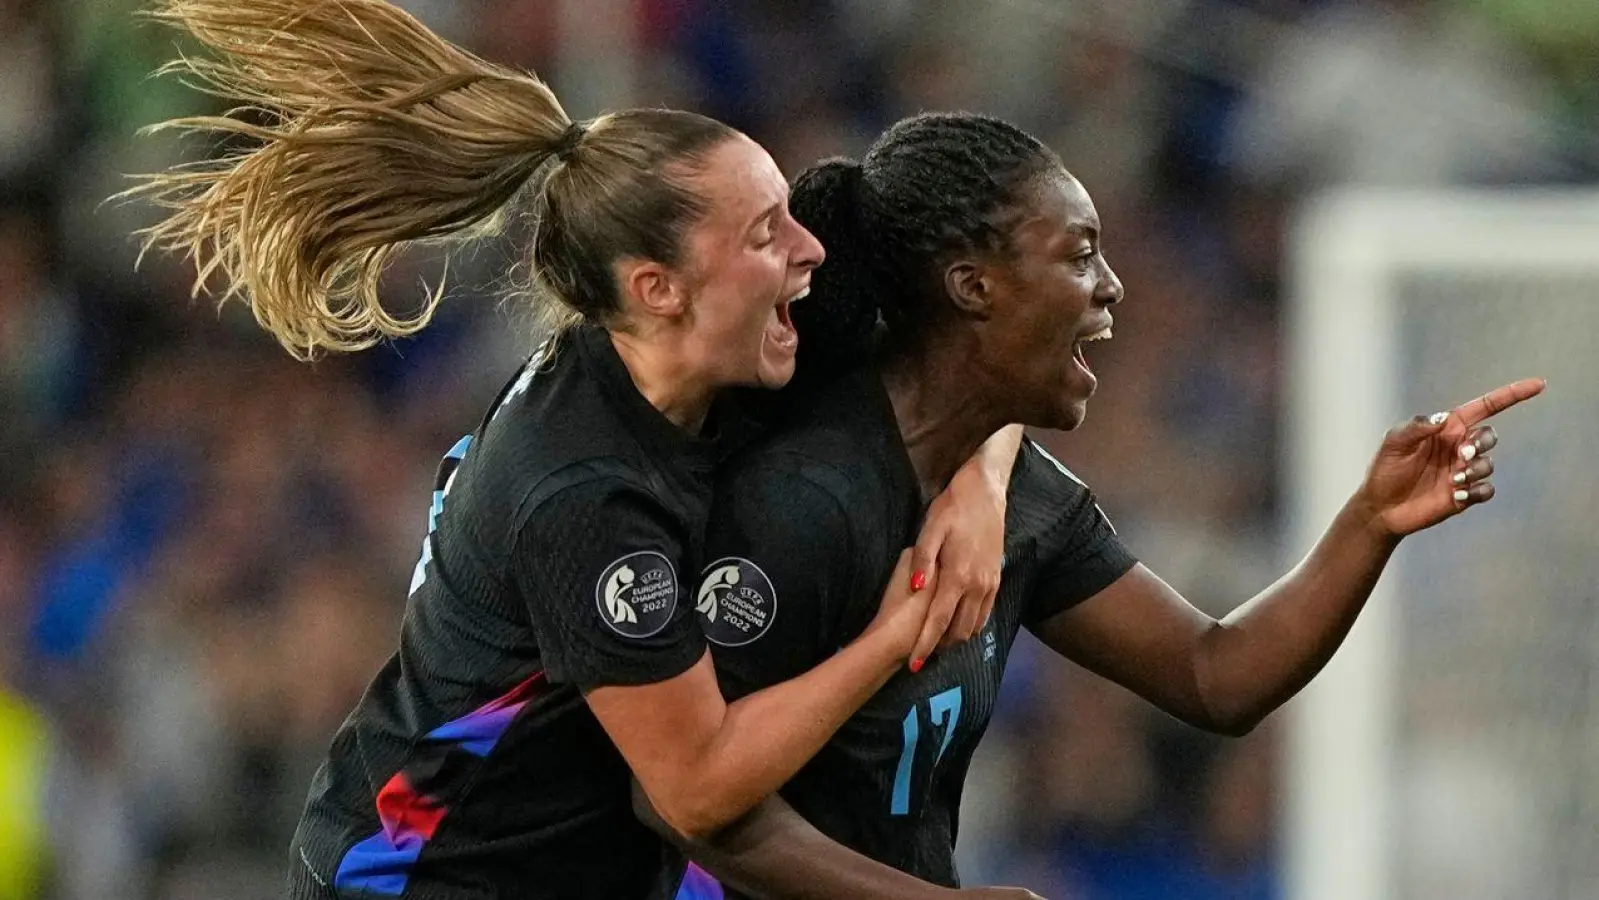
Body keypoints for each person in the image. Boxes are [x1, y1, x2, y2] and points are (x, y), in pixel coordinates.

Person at [128, 4, 1020, 898]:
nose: (808, 248)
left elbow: (962, 350)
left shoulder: (699, 355)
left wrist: (977, 487)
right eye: (763, 233)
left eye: (786, 213)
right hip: (426, 880)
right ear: (657, 288)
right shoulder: (582, 489)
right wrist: (897, 630)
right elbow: (699, 786)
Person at [649, 112, 1546, 897]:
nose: (1112, 285)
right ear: (973, 287)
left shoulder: (1018, 492)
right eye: (1079, 256)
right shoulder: (803, 498)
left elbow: (1213, 674)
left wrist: (1368, 523)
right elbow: (681, 801)